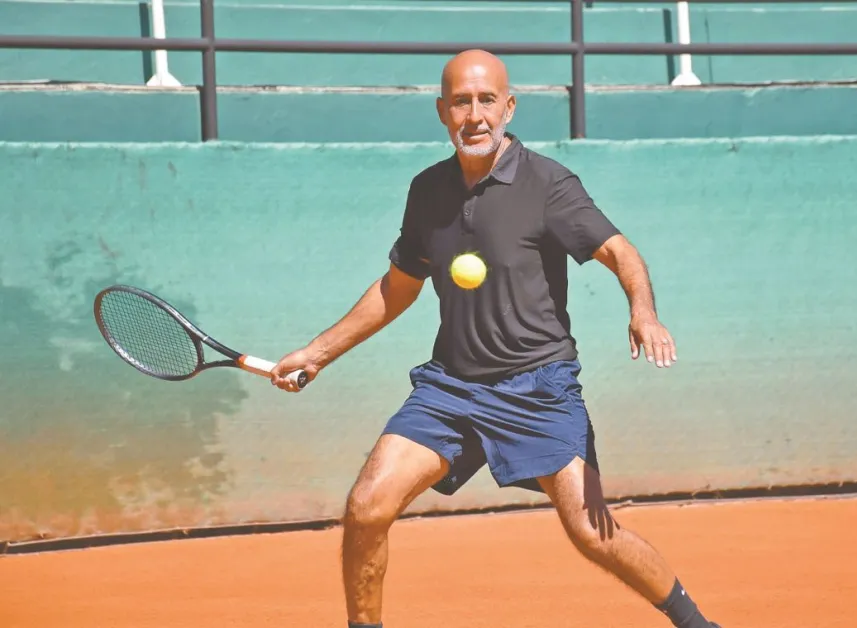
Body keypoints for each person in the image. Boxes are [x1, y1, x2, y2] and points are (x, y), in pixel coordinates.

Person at [270, 49, 721, 628]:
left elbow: (619, 250)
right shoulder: (427, 191)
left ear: (509, 107)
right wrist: (318, 352)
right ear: (442, 111)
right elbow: (398, 288)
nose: (475, 115)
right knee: (366, 507)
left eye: (487, 100)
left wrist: (644, 311)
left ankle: (696, 624)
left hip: (540, 387)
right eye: (461, 101)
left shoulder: (549, 184)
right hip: (451, 388)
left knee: (591, 532)